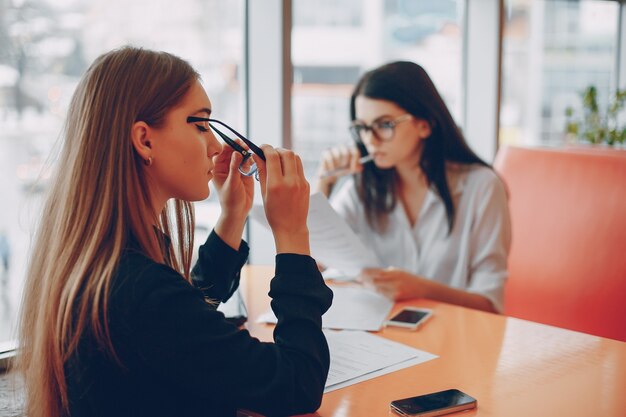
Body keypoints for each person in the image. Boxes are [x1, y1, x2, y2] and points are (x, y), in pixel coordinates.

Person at [17, 46, 332, 417]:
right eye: (201, 125)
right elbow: (298, 384)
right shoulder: (137, 290)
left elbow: (184, 318)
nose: (216, 147)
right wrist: (293, 234)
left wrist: (233, 216)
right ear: (145, 140)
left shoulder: (103, 262)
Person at [316, 61, 511, 313]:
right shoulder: (361, 187)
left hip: (454, 335)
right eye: (363, 127)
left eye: (384, 125)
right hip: (378, 335)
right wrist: (324, 181)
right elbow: (312, 261)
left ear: (425, 124)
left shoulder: (481, 187)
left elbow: (490, 305)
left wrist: (422, 289)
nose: (370, 140)